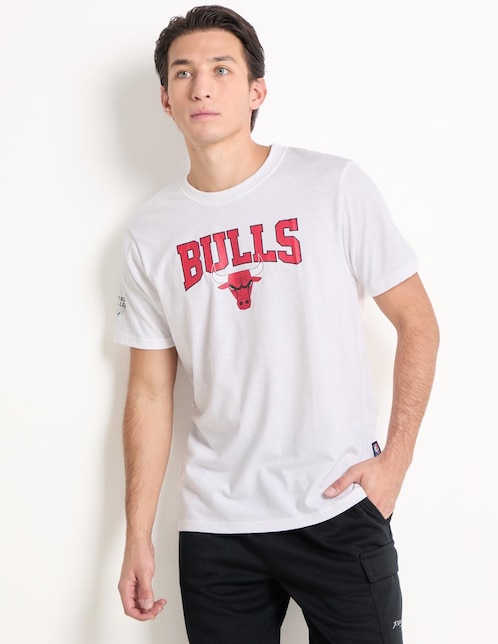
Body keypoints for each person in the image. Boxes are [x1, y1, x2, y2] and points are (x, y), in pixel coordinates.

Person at [116, 5, 439, 643]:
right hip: (218, 528)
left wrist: (394, 465)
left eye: (221, 69)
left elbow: (419, 324)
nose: (201, 87)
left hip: (338, 507)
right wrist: (137, 533)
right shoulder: (150, 233)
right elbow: (149, 391)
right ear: (165, 100)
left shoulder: (332, 185)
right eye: (182, 73)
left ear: (256, 91)